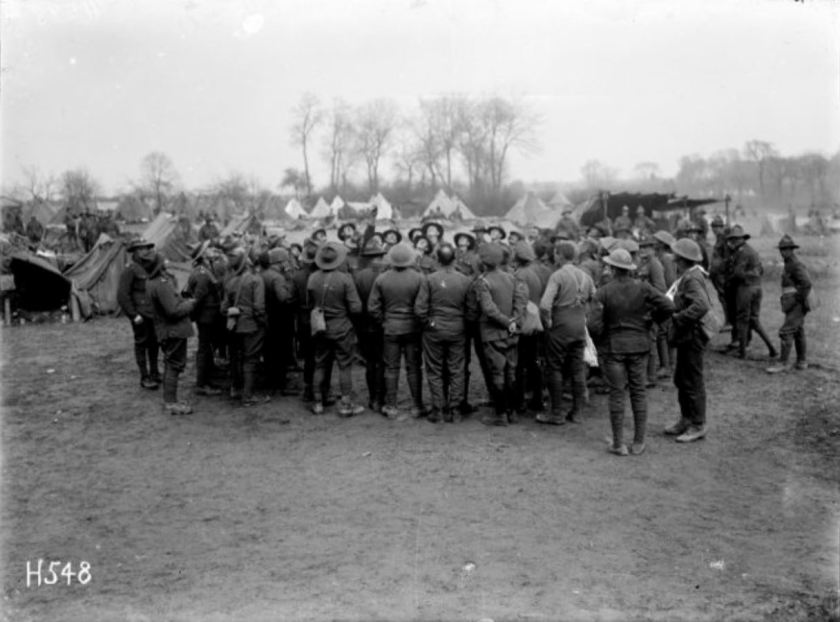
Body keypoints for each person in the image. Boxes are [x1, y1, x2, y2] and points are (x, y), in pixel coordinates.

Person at [593, 248, 674, 456]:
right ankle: (638, 442)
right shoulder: (643, 287)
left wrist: (603, 337)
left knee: (617, 393)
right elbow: (668, 305)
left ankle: (618, 444)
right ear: (629, 269)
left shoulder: (604, 291)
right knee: (638, 392)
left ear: (612, 268)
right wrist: (650, 321)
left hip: (614, 347)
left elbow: (593, 324)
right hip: (639, 345)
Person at [538, 241, 595, 425]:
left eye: (555, 253)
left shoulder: (558, 275)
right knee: (577, 368)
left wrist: (548, 322)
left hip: (560, 325)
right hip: (579, 325)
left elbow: (545, 305)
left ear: (560, 255)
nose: (554, 256)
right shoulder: (585, 276)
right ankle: (577, 412)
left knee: (554, 367)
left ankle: (556, 413)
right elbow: (595, 298)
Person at [368, 243, 426, 420]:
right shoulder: (419, 278)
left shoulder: (382, 279)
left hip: (391, 328)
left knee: (391, 367)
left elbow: (372, 307)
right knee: (414, 367)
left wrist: (383, 321)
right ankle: (417, 405)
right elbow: (422, 306)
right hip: (412, 328)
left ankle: (391, 405)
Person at [414, 243, 471, 423]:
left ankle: (438, 410)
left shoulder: (429, 279)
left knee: (434, 369)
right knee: (457, 369)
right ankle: (455, 410)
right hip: (457, 329)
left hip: (434, 329)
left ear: (437, 259)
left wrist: (428, 322)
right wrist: (462, 325)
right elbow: (471, 309)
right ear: (454, 259)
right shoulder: (464, 279)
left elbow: (419, 308)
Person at [306, 242, 364, 416]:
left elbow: (310, 303)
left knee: (320, 364)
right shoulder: (345, 279)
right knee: (344, 366)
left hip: (320, 327)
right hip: (341, 327)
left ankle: (317, 403)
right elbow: (356, 308)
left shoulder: (313, 277)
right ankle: (346, 405)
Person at [475, 243, 528, 426]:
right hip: (511, 333)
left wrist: (506, 322)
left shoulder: (482, 281)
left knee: (497, 373)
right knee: (511, 372)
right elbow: (521, 302)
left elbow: (488, 309)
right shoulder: (512, 278)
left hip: (492, 334)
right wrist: (514, 322)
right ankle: (512, 412)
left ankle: (501, 414)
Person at [665, 239, 711, 443]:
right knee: (682, 378)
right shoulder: (688, 275)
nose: (673, 259)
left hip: (692, 335)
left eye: (676, 256)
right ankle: (686, 419)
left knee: (692, 379)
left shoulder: (691, 279)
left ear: (683, 260)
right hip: (687, 335)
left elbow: (702, 305)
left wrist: (679, 317)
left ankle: (698, 424)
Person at [146, 253, 196, 415]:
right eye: (164, 262)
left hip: (167, 330)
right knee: (174, 365)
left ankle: (171, 400)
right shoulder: (161, 284)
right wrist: (190, 305)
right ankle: (171, 402)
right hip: (173, 330)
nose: (167, 263)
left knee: (171, 364)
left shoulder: (152, 282)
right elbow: (173, 311)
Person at [223, 247, 268, 407]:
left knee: (235, 357)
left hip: (234, 325)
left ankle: (235, 388)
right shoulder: (256, 280)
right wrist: (264, 324)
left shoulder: (230, 281)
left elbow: (224, 308)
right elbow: (259, 308)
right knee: (250, 360)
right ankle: (248, 396)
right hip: (251, 326)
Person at [726, 225, 776, 359]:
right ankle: (772, 349)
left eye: (735, 239)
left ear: (740, 239)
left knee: (742, 320)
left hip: (746, 288)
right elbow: (761, 270)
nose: (733, 242)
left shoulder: (741, 253)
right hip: (757, 287)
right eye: (733, 239)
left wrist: (731, 278)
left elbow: (738, 273)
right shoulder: (751, 251)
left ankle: (742, 352)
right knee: (754, 321)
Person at [117, 238, 161, 390]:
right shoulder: (130, 269)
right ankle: (145, 376)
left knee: (155, 343)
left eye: (147, 248)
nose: (145, 251)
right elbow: (123, 295)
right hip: (140, 315)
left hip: (152, 313)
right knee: (142, 343)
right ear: (135, 251)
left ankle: (155, 372)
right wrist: (133, 315)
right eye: (141, 249)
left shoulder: (149, 267)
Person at [766, 235, 812, 373]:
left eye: (786, 249)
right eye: (782, 249)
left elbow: (806, 283)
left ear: (792, 249)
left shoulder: (795, 264)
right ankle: (801, 361)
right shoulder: (788, 263)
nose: (783, 252)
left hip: (797, 304)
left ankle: (783, 363)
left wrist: (797, 299)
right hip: (793, 303)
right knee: (798, 331)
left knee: (786, 331)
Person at [184, 242, 225, 396]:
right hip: (206, 316)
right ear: (202, 255)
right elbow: (198, 298)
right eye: (208, 250)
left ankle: (208, 374)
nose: (211, 250)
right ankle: (201, 383)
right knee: (204, 348)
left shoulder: (205, 269)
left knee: (207, 347)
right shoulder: (202, 273)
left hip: (208, 314)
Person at [353, 237, 388, 412]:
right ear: (381, 256)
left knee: (369, 362)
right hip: (382, 323)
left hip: (363, 324)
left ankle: (372, 397)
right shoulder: (386, 274)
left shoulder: (358, 276)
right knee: (382, 361)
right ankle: (380, 398)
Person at [512, 241, 546, 416]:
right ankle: (537, 399)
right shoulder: (535, 273)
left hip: (524, 320)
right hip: (535, 319)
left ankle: (519, 402)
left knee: (518, 363)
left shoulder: (519, 275)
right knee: (533, 361)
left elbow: (519, 301)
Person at [260, 247, 294, 396]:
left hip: (266, 318)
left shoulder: (263, 274)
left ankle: (269, 379)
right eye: (286, 260)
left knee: (269, 350)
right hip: (279, 318)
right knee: (280, 350)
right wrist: (290, 283)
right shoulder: (278, 277)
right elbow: (283, 298)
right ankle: (280, 383)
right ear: (281, 261)